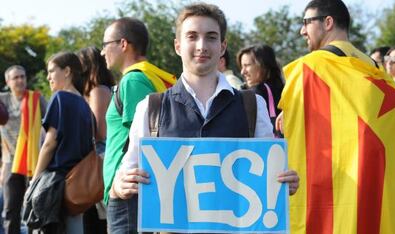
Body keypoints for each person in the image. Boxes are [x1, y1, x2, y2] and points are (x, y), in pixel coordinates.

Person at [111, 2, 299, 232]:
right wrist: (120, 185)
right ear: (178, 45)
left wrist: (284, 182)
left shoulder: (252, 105)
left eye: (211, 37)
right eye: (192, 36)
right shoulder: (150, 108)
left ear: (222, 46)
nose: (202, 46)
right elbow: (125, 177)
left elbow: (271, 175)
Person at [277, 0, 395, 233]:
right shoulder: (378, 72)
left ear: (328, 22)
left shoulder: (308, 69)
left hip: (325, 202)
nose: (302, 30)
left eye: (306, 22)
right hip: (376, 194)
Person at [100, 17, 176, 233]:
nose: (102, 52)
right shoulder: (149, 75)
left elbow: (143, 138)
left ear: (123, 44)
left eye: (105, 45)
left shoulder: (133, 80)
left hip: (128, 192)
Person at [32, 52, 94, 233]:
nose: (48, 77)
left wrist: (34, 180)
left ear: (67, 71)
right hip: (78, 186)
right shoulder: (85, 105)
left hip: (54, 185)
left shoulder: (60, 98)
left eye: (52, 71)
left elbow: (50, 143)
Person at [0, 65, 47, 234]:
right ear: (7, 81)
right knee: (10, 211)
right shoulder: (2, 100)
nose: (20, 80)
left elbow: (51, 126)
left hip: (34, 163)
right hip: (10, 163)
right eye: (15, 77)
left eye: (23, 76)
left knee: (32, 210)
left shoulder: (36, 99)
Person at [77, 46, 115, 234]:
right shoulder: (93, 90)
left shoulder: (98, 90)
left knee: (102, 218)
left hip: (100, 154)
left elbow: (99, 131)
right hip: (96, 153)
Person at [237, 44, 284, 136]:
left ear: (263, 65)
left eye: (247, 65)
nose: (243, 72)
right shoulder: (284, 90)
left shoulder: (256, 93)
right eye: (242, 67)